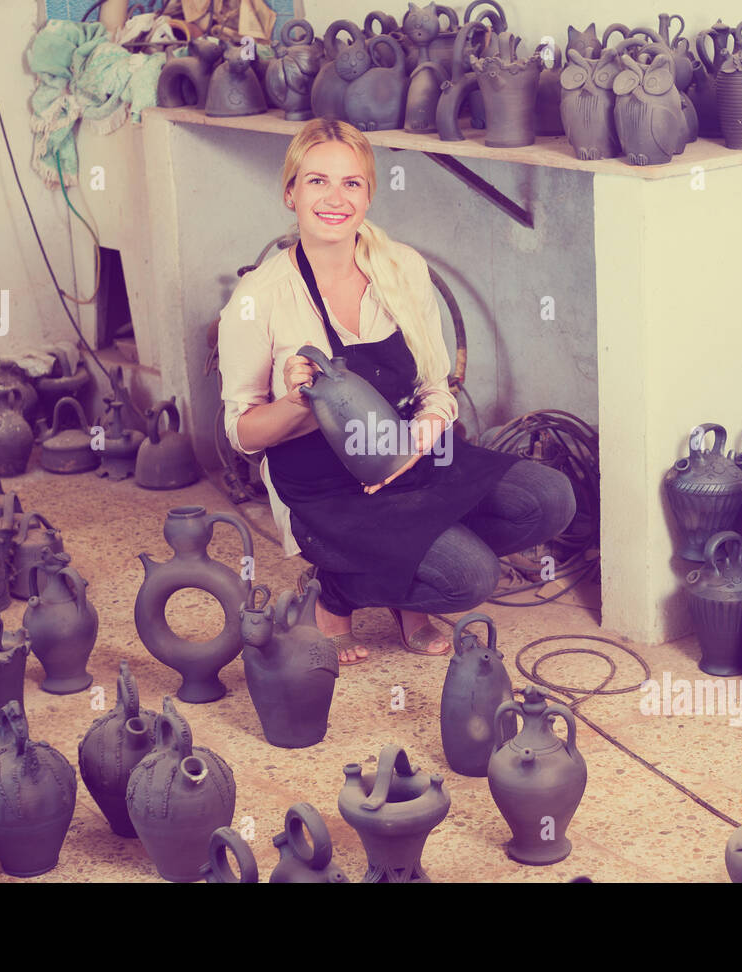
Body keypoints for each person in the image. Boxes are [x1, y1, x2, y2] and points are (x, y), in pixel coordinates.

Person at [216, 118, 576, 665]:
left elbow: (436, 387)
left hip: (406, 452)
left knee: (549, 499)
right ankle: (335, 594)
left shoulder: (402, 268)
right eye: (317, 182)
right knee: (470, 577)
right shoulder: (259, 295)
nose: (335, 198)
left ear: (368, 195)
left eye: (351, 183)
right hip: (323, 487)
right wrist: (295, 404)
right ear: (290, 192)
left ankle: (403, 572)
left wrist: (415, 442)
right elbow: (241, 432)